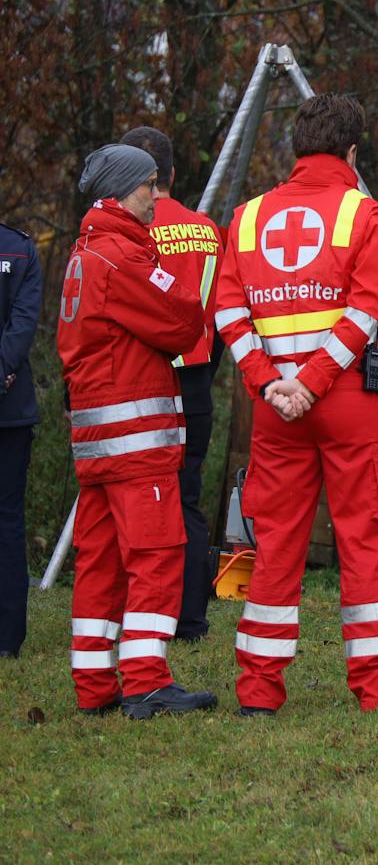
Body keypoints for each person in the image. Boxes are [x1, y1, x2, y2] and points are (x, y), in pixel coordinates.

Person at [213, 93, 378, 714]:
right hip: (346, 402)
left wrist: (269, 383)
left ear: (295, 150)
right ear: (351, 151)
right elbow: (367, 312)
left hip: (273, 407)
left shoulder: (248, 216)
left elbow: (229, 312)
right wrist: (311, 383)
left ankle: (258, 691)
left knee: (277, 544)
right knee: (363, 542)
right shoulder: (364, 215)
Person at [56, 143, 215, 718]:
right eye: (148, 185)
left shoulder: (86, 252)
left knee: (99, 561)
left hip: (98, 443)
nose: (156, 194)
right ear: (121, 191)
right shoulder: (121, 257)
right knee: (156, 552)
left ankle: (95, 684)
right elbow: (182, 320)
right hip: (136, 442)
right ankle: (147, 678)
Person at [124, 126, 223, 641]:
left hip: (146, 382)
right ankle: (191, 618)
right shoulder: (207, 230)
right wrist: (207, 371)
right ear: (172, 174)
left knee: (140, 500)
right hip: (198, 381)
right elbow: (223, 316)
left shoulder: (130, 229)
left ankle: (143, 616)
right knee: (187, 499)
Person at [0, 216, 41, 658]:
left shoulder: (20, 248)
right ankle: (7, 637)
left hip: (9, 408)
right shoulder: (19, 248)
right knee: (7, 520)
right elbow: (24, 324)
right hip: (11, 405)